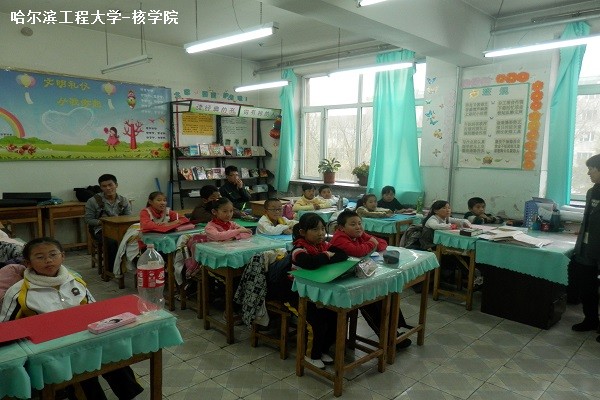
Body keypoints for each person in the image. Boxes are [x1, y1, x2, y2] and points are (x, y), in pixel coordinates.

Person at [0, 237, 143, 400]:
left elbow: (95, 311)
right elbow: (6, 329)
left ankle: (129, 394)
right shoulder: (18, 292)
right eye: (40, 257)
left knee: (115, 356)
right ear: (28, 263)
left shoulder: (76, 281)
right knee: (84, 377)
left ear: (62, 256)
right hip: (52, 351)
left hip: (86, 339)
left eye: (53, 254)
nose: (48, 260)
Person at [329, 210, 412, 349]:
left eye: (359, 223)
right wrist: (371, 244)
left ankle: (393, 330)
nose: (358, 227)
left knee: (385, 292)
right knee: (370, 301)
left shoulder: (358, 234)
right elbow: (358, 251)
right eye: (353, 224)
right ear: (341, 228)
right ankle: (387, 338)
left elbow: (382, 243)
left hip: (357, 277)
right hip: (341, 283)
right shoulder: (339, 238)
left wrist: (369, 244)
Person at [286, 213, 348, 369]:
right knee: (316, 323)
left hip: (316, 292)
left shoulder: (323, 245)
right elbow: (311, 263)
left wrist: (324, 256)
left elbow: (343, 255)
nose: (321, 233)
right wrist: (327, 255)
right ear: (302, 232)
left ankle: (322, 350)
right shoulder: (298, 249)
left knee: (334, 317)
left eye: (322, 229)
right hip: (296, 294)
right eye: (315, 229)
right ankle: (311, 356)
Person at [570, 154, 600, 341]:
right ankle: (591, 319)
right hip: (587, 247)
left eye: (591, 169)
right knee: (586, 285)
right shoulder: (591, 192)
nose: (588, 173)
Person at [84, 174, 131, 271]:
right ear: (100, 187)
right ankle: (111, 270)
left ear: (116, 185)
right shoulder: (93, 201)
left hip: (120, 229)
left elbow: (128, 218)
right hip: (100, 230)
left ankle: (130, 265)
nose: (108, 188)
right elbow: (88, 219)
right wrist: (104, 222)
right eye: (104, 186)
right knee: (112, 241)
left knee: (135, 238)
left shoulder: (124, 200)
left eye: (110, 185)